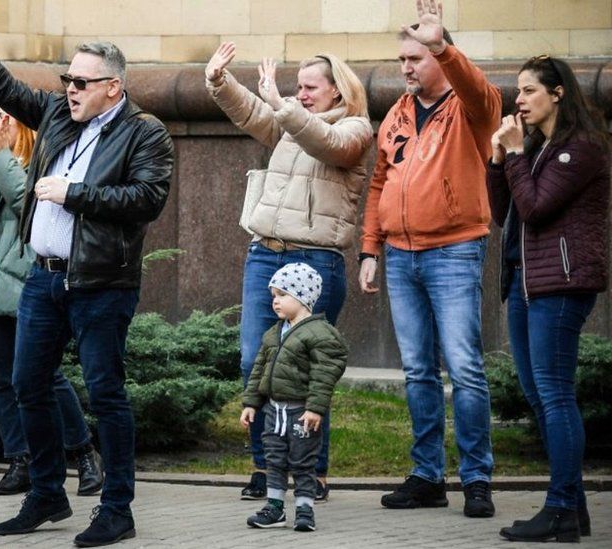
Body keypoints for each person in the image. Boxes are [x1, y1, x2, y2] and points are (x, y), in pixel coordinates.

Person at [0, 1, 174, 545]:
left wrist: (75, 194)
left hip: (100, 283)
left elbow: (147, 198)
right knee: (28, 384)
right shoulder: (56, 113)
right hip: (43, 278)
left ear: (112, 88)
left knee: (105, 394)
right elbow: (6, 90)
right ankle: (48, 493)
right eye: (67, 79)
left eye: (81, 81)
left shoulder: (145, 133)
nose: (70, 89)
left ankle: (117, 508)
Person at [205, 41, 372, 502]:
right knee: (255, 363)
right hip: (266, 254)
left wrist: (283, 106)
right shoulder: (288, 122)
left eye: (310, 87)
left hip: (315, 260)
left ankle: (312, 471)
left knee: (306, 369)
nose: (301, 94)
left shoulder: (355, 128)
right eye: (297, 87)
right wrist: (220, 81)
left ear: (337, 92)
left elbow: (326, 143)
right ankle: (266, 468)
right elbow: (253, 113)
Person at [358, 0, 501, 518]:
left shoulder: (470, 108)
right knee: (418, 371)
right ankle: (427, 476)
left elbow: (485, 96)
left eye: (416, 58)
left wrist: (444, 43)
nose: (406, 68)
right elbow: (380, 181)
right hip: (400, 254)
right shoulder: (397, 112)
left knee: (464, 368)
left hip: (455, 250)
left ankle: (477, 478)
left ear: (442, 58)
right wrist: (370, 248)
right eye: (402, 60)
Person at [0, 110, 104, 497]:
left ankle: (83, 451)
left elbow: (25, 202)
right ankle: (20, 459)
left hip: (23, 285)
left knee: (44, 376)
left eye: (9, 115)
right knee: (1, 382)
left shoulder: (42, 165)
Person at [489, 55, 609, 543]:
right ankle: (572, 510)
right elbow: (506, 213)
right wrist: (500, 160)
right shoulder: (536, 146)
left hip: (560, 287)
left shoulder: (580, 149)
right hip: (526, 282)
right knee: (541, 396)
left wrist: (516, 155)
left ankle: (560, 508)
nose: (518, 101)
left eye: (529, 91)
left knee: (556, 396)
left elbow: (537, 208)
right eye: (517, 92)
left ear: (557, 93)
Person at [240, 262, 347, 532]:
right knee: (273, 459)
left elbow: (325, 374)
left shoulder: (320, 333)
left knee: (302, 462)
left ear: (302, 297)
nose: (275, 302)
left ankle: (304, 509)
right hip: (274, 412)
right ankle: (275, 508)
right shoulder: (273, 333)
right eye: (274, 296)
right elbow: (259, 370)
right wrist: (251, 403)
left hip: (301, 414)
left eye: (282, 295)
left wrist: (315, 408)